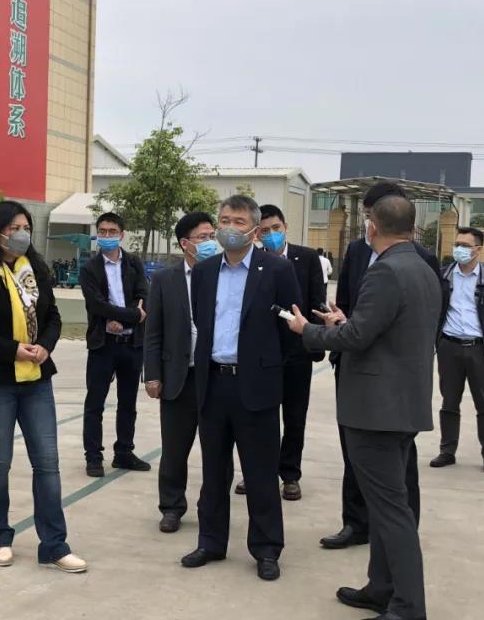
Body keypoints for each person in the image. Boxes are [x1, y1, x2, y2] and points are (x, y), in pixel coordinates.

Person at [287, 193, 441, 620]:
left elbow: (356, 338)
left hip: (377, 409)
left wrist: (308, 330)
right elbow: (385, 331)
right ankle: (381, 587)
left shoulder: (386, 271)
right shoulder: (423, 267)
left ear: (372, 226)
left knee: (391, 511)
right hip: (401, 403)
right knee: (385, 504)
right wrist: (344, 322)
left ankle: (409, 608)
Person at [0, 200, 86, 573]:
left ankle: (54, 545)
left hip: (36, 379)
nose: (22, 234)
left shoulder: (35, 269)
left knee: (47, 462)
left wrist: (45, 345)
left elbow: (53, 316)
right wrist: (12, 350)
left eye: (26, 227)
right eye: (14, 228)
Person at [181, 195, 302, 582]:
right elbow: (201, 320)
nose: (229, 228)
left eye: (238, 221)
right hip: (213, 382)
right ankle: (211, 542)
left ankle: (266, 548)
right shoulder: (205, 272)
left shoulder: (277, 270)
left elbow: (290, 331)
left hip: (256, 385)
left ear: (253, 229)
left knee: (260, 473)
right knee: (214, 471)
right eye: (224, 220)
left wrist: (264, 365)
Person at [320, 182, 440, 550]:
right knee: (355, 452)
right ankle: (356, 524)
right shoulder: (357, 251)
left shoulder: (421, 259)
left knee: (398, 464)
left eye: (370, 216)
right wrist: (341, 324)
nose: (367, 224)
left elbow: (426, 320)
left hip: (393, 381)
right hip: (354, 366)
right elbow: (348, 301)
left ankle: (401, 528)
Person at [235, 204, 326, 501]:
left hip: (298, 351)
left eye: (276, 228)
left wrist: (314, 340)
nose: (271, 234)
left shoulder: (307, 258)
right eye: (264, 231)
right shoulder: (252, 262)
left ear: (285, 227)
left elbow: (317, 301)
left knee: (295, 416)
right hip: (263, 354)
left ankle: (290, 474)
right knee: (261, 416)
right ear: (256, 234)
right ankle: (258, 472)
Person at [143, 212, 216, 533]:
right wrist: (152, 374)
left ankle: (212, 508)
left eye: (212, 236)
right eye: (203, 237)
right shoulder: (164, 279)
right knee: (174, 450)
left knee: (216, 450)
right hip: (178, 376)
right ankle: (171, 507)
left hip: (216, 377)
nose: (210, 242)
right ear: (185, 244)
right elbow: (154, 331)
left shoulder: (223, 273)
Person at [430, 227, 484, 474]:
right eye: (457, 244)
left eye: (465, 246)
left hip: (480, 350)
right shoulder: (443, 276)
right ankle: (447, 451)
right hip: (449, 347)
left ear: (478, 250)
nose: (459, 249)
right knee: (449, 402)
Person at [79, 212, 150, 477]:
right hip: (103, 344)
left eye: (112, 231)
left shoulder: (133, 263)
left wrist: (123, 318)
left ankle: (124, 453)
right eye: (102, 231)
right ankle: (93, 456)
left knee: (128, 403)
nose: (107, 236)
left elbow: (144, 295)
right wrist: (130, 315)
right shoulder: (89, 268)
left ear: (122, 235)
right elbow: (96, 304)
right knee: (95, 403)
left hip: (131, 343)